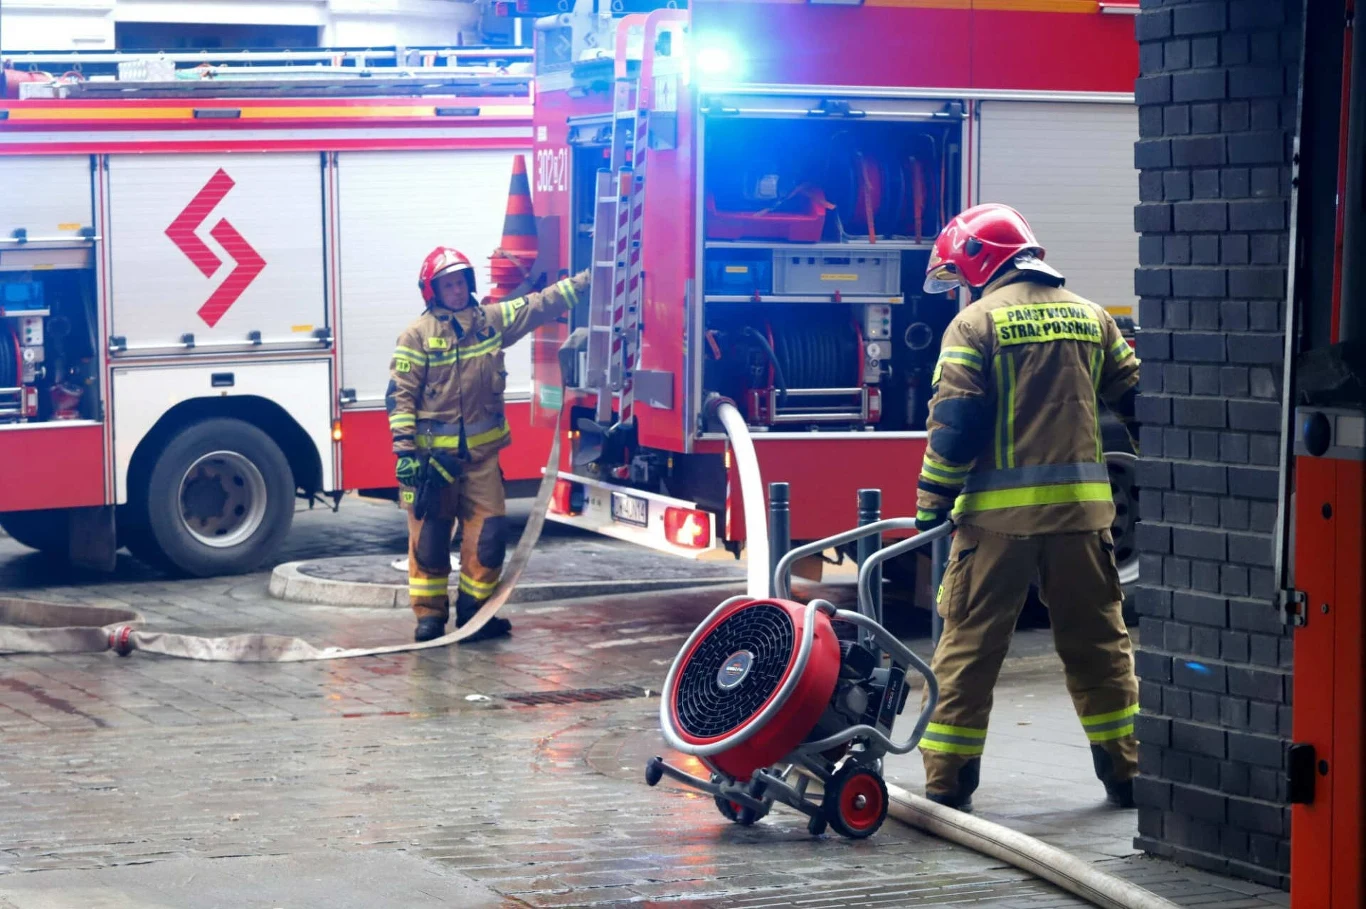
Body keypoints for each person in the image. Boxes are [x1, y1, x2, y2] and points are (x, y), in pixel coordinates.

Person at [912, 203, 1141, 811]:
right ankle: (1126, 773)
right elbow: (1141, 404)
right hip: (1084, 523)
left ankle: (948, 784)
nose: (961, 287)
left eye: (960, 274)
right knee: (1100, 649)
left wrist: (932, 503)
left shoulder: (974, 326)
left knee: (969, 650)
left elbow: (954, 427)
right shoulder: (1092, 316)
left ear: (978, 262)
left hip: (996, 527)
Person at [386, 247, 590, 643]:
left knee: (490, 537)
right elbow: (401, 395)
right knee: (429, 541)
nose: (457, 291)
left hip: (481, 461)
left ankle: (475, 615)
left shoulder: (489, 322)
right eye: (448, 285)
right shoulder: (416, 335)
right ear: (433, 291)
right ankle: (429, 617)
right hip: (431, 464)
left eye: (461, 282)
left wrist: (585, 283)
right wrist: (405, 452)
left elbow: (538, 305)